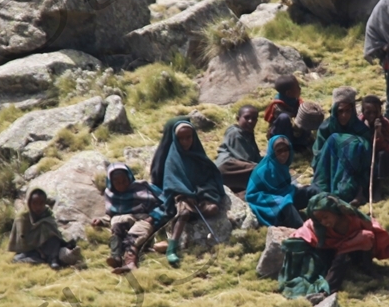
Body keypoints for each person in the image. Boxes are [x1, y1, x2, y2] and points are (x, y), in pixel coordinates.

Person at [150, 116, 227, 266]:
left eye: (188, 138)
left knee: (213, 208)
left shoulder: (198, 155)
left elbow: (208, 177)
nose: (185, 142)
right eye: (181, 139)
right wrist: (184, 193)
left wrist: (203, 192)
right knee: (184, 212)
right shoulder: (173, 158)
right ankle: (172, 247)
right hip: (182, 196)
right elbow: (171, 181)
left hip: (201, 195)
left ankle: (195, 213)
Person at [91, 161, 165, 271]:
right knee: (117, 222)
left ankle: (130, 262)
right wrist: (101, 221)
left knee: (134, 234)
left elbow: (165, 202)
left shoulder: (143, 187)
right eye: (117, 182)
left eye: (124, 181)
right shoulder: (110, 194)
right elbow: (111, 215)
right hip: (126, 217)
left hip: (146, 217)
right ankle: (115, 256)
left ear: (129, 177)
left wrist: (154, 216)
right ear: (111, 182)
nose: (121, 185)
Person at [311, 88, 373, 204]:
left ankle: (353, 193)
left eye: (348, 111)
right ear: (335, 111)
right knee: (334, 139)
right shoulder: (326, 129)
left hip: (353, 175)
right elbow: (318, 155)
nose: (344, 115)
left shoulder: (361, 129)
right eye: (340, 111)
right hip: (329, 169)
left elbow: (367, 157)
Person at [245, 134, 313, 229]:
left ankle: (322, 218)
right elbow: (251, 195)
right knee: (285, 205)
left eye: (286, 150)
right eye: (279, 151)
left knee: (311, 190)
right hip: (265, 201)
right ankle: (304, 232)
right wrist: (281, 200)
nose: (283, 154)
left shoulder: (281, 167)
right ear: (272, 152)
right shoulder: (263, 170)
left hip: (284, 195)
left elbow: (285, 189)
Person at [9, 186, 80, 267]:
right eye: (34, 203)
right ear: (29, 202)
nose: (38, 207)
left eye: (41, 203)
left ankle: (53, 259)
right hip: (31, 248)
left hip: (47, 244)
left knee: (54, 237)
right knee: (22, 257)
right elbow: (22, 241)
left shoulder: (47, 212)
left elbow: (54, 228)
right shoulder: (22, 217)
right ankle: (44, 258)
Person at [263, 74, 324, 154]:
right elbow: (292, 123)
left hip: (295, 133)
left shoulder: (295, 102)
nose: (300, 88)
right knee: (285, 118)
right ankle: (287, 147)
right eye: (297, 87)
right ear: (288, 93)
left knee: (306, 115)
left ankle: (300, 145)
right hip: (283, 135)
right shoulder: (277, 107)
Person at [216, 103, 262, 193]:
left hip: (240, 167)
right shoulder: (235, 133)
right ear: (238, 119)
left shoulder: (248, 134)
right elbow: (243, 158)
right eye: (247, 118)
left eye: (254, 119)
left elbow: (256, 157)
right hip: (228, 166)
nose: (250, 121)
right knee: (261, 170)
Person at [360, 95, 389, 196]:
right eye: (368, 113)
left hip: (383, 158)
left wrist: (379, 134)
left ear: (380, 111)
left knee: (383, 155)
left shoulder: (386, 125)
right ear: (362, 112)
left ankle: (380, 187)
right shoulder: (359, 123)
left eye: (375, 112)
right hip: (365, 156)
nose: (372, 116)